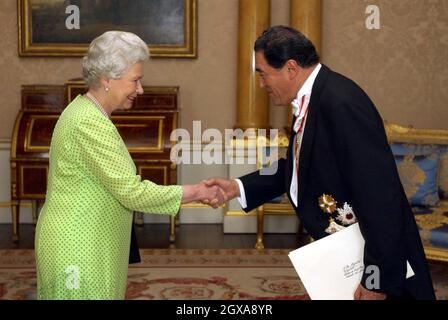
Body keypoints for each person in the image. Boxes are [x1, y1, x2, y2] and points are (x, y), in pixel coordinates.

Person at [206, 26, 436, 300]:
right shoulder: (314, 98)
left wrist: (377, 281)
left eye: (263, 74)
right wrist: (237, 187)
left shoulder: (340, 103)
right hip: (348, 252)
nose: (262, 83)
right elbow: (297, 166)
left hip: (378, 259)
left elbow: (379, 195)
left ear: (290, 68)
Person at [35, 31, 225, 300]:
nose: (140, 90)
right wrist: (197, 192)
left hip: (91, 242)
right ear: (107, 79)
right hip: (77, 247)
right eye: (135, 81)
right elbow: (131, 192)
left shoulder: (87, 112)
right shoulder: (88, 122)